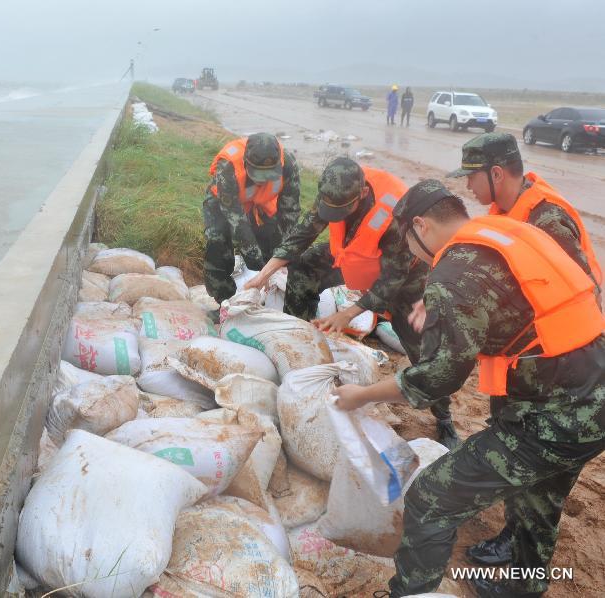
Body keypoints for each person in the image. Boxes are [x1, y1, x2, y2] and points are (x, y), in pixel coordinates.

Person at [335, 180, 605, 598]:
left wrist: (362, 395)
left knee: (430, 499)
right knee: (540, 495)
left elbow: (439, 379)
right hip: (592, 387)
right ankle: (525, 586)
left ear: (420, 227)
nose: (410, 255)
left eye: (406, 243)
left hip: (555, 417)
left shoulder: (455, 273)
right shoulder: (514, 232)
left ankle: (410, 593)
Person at [444, 131, 604, 567]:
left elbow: (578, 295)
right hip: (530, 367)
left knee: (540, 478)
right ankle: (512, 539)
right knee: (521, 465)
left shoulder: (547, 219)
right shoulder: (508, 210)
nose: (467, 188)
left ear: (496, 173)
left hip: (561, 373)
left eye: (472, 177)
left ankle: (523, 568)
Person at [244, 158, 460, 449]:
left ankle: (443, 417)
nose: (331, 216)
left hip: (403, 280)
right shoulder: (334, 193)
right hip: (351, 258)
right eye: (328, 210)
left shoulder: (394, 214)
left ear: (360, 195)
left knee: (422, 347)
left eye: (339, 212)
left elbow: (392, 279)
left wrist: (348, 313)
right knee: (305, 266)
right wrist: (265, 273)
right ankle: (298, 348)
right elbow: (302, 236)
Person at [203, 132, 300, 305]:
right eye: (258, 174)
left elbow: (289, 213)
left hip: (261, 202)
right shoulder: (228, 166)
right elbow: (237, 221)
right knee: (217, 241)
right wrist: (259, 264)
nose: (263, 180)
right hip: (225, 203)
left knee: (273, 243)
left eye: (269, 174)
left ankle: (270, 298)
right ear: (246, 163)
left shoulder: (289, 164)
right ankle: (224, 300)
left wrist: (280, 258)